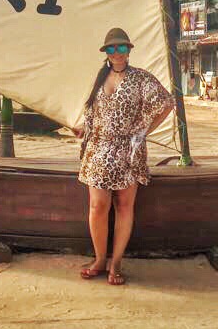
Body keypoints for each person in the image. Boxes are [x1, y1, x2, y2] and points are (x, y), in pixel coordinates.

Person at [75, 28, 175, 285]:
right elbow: (92, 112)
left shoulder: (141, 78)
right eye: (111, 49)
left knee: (123, 206)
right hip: (98, 149)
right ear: (106, 53)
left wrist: (142, 132)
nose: (117, 53)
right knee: (97, 207)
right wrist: (84, 130)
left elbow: (166, 103)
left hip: (128, 151)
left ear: (129, 50)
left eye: (121, 48)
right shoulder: (99, 78)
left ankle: (116, 263)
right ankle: (99, 260)